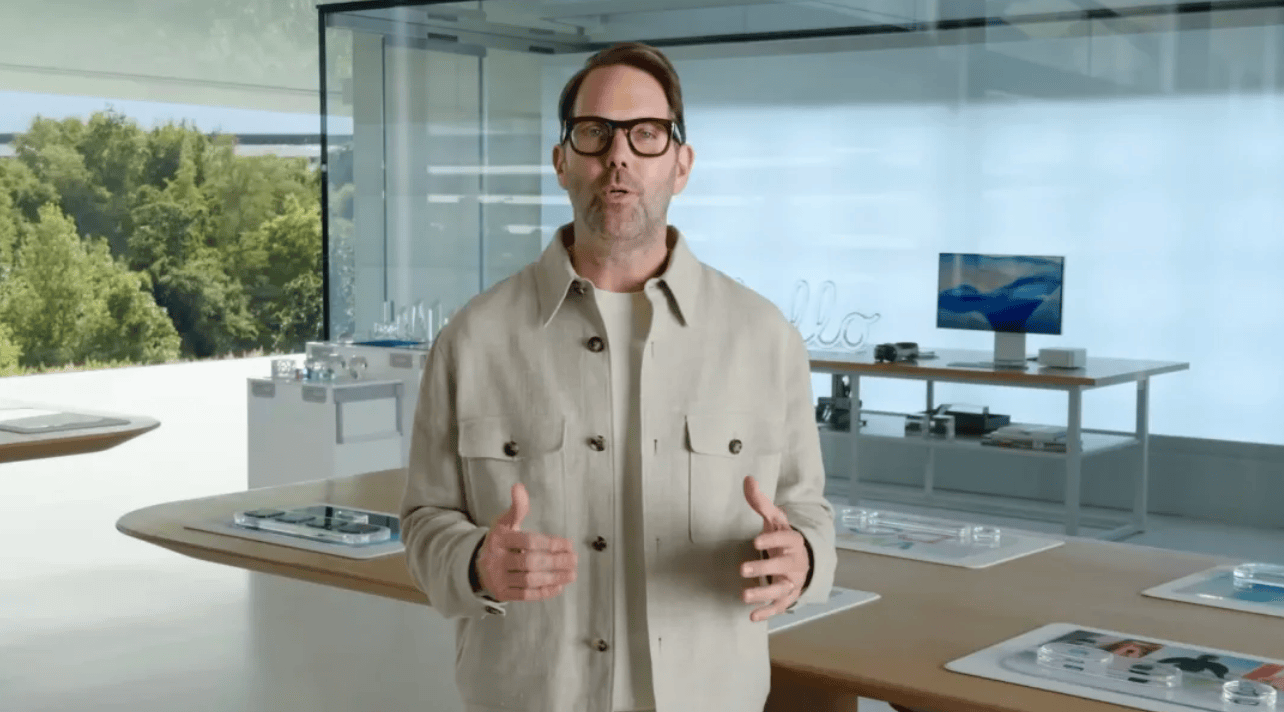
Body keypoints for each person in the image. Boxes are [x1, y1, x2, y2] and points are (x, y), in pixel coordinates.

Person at [399, 41, 837, 712]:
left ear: (681, 165)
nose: (619, 157)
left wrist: (802, 559)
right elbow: (425, 519)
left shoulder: (764, 338)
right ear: (561, 161)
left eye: (647, 134)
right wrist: (475, 562)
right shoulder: (473, 337)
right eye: (595, 133)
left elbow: (808, 510)